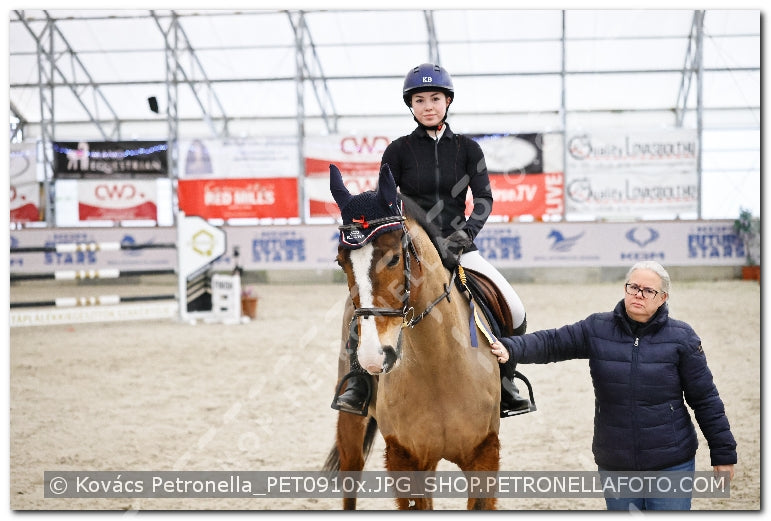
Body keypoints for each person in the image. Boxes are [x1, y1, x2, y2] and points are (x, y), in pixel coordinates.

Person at [335, 63, 532, 417]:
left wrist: (466, 234)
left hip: (459, 246)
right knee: (363, 303)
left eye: (435, 98)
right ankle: (358, 382)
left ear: (447, 101)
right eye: (420, 99)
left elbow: (484, 199)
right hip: (412, 247)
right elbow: (386, 201)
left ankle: (506, 378)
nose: (428, 105)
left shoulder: (469, 149)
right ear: (411, 105)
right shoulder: (397, 151)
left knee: (513, 306)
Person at [490, 261, 737, 510]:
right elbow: (552, 342)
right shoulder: (597, 328)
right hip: (615, 462)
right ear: (625, 289)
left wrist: (723, 454)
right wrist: (512, 348)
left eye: (648, 290)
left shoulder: (682, 338)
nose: (638, 295)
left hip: (671, 463)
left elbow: (706, 400)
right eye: (633, 287)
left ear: (663, 298)